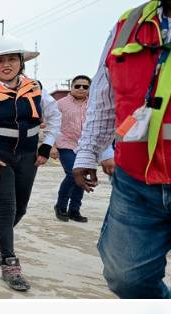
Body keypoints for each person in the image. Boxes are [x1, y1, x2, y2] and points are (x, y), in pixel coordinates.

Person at [73, 0, 171, 299]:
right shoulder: (127, 25)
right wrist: (88, 152)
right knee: (125, 277)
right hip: (136, 185)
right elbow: (104, 98)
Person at [0, 35, 62, 291]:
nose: (6, 65)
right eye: (0, 61)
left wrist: (46, 145)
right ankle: (10, 263)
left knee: (21, 209)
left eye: (11, 59)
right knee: (6, 208)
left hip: (28, 156)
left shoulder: (37, 89)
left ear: (21, 62)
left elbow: (55, 117)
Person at [52, 75, 92, 222]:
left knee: (82, 177)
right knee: (72, 174)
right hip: (65, 144)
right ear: (71, 87)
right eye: (77, 86)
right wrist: (52, 146)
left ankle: (74, 210)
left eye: (85, 86)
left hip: (85, 146)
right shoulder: (60, 104)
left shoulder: (93, 104)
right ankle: (60, 206)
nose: (81, 89)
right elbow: (51, 125)